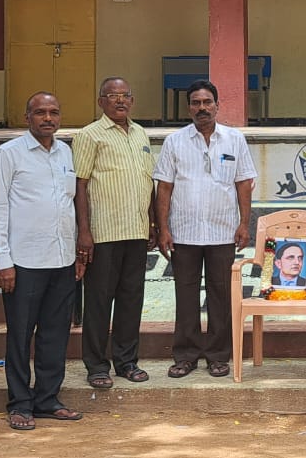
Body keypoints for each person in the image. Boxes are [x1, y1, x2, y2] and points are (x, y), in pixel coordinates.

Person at [0, 93, 84, 431]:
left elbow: (68, 205)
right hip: (23, 262)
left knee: (55, 335)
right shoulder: (8, 154)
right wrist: (3, 260)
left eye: (54, 112)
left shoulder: (65, 153)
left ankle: (47, 399)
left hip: (62, 259)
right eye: (40, 112)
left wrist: (75, 252)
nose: (47, 118)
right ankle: (19, 403)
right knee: (20, 336)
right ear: (27, 116)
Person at [154, 80, 257, 379]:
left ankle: (218, 356)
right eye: (196, 103)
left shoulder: (234, 140)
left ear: (217, 105)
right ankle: (185, 356)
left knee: (221, 295)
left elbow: (243, 183)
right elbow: (164, 187)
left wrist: (244, 223)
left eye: (207, 102)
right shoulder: (175, 142)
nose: (202, 108)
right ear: (189, 108)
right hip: (183, 232)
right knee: (185, 296)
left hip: (223, 231)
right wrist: (163, 228)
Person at [72, 77, 158, 388]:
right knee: (98, 301)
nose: (120, 101)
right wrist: (84, 231)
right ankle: (97, 366)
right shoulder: (89, 135)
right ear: (101, 102)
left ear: (132, 101)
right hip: (103, 233)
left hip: (136, 231)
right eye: (112, 96)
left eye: (125, 95)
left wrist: (152, 223)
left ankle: (126, 362)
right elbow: (79, 184)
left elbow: (147, 181)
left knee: (131, 300)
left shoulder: (140, 133)